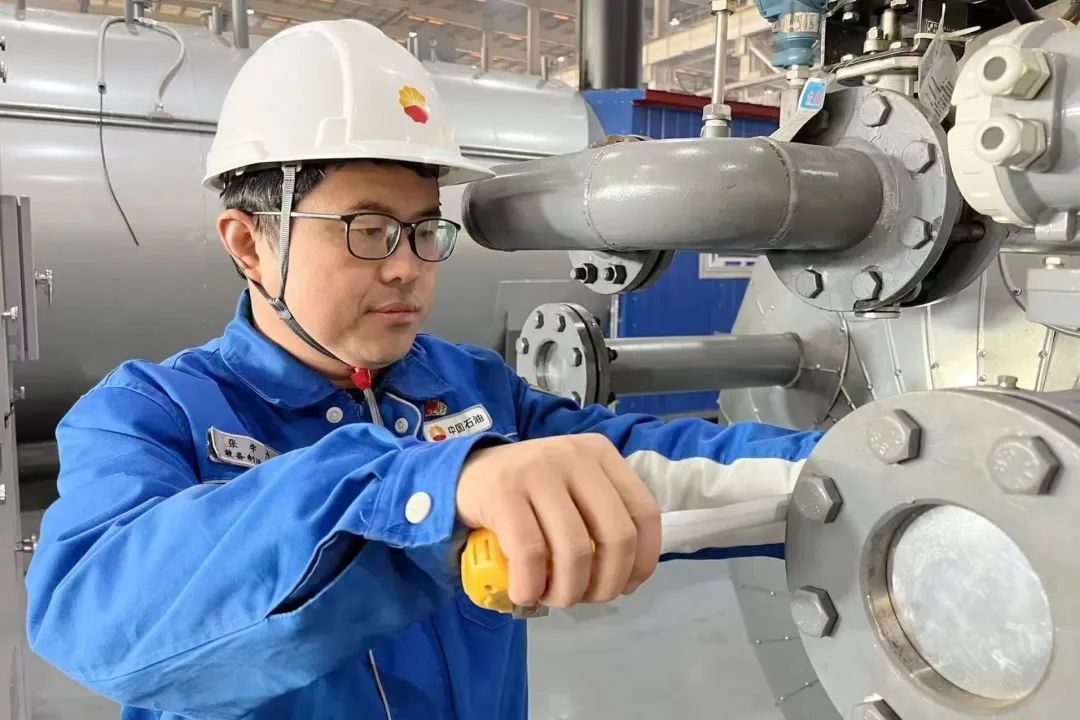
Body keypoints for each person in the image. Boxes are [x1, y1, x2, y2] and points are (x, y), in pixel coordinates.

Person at [25, 19, 819, 720]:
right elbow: (93, 618)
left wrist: (845, 468)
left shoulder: (470, 388)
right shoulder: (150, 413)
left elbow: (648, 465)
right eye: (368, 229)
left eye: (424, 231)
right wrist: (426, 491)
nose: (408, 266)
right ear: (249, 243)